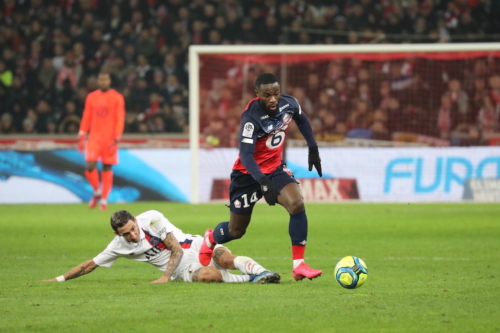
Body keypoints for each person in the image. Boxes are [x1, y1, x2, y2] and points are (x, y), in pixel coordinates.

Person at [198, 73, 323, 281]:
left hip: (275, 169)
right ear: (258, 94)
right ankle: (210, 238)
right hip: (247, 176)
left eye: (276, 93)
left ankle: (299, 265)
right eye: (267, 95)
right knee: (236, 230)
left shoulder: (289, 104)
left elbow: (302, 119)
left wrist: (313, 147)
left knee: (297, 204)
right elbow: (246, 156)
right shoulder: (251, 117)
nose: (273, 99)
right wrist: (262, 182)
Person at [41, 210, 280, 284]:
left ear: (135, 220)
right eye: (126, 234)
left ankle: (262, 272)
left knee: (224, 256)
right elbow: (89, 265)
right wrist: (59, 279)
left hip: (195, 246)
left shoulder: (152, 218)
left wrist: (164, 277)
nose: (133, 235)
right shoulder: (117, 246)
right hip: (182, 270)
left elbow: (175, 248)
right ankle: (252, 280)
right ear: (117, 234)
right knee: (208, 275)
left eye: (133, 228)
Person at [78, 72, 125, 211]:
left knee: (106, 167)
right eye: (101, 79)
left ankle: (104, 200)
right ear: (98, 81)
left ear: (110, 81)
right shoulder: (91, 97)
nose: (103, 82)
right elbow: (86, 115)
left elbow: (120, 117)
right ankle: (97, 191)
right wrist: (82, 134)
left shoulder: (117, 97)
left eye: (106, 79)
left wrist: (117, 136)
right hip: (94, 138)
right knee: (89, 166)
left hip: (109, 139)